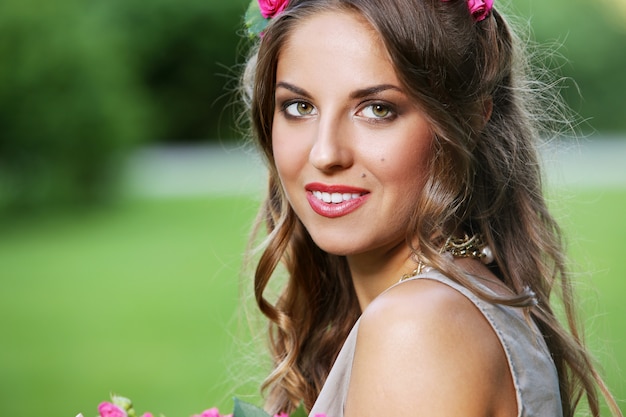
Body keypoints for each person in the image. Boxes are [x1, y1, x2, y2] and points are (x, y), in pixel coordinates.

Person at [240, 0, 623, 416]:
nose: (326, 153)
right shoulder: (457, 298)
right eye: (300, 107)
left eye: (377, 109)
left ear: (468, 118)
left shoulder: (416, 326)